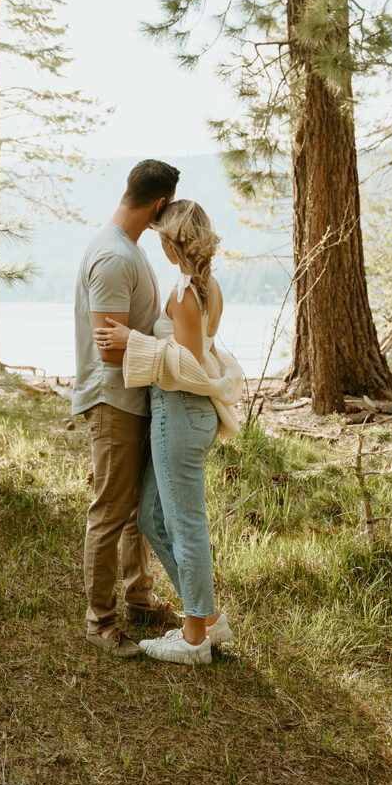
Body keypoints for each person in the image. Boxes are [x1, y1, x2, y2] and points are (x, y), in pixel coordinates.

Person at [94, 200, 244, 665]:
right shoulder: (203, 286)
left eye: (161, 237)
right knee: (152, 519)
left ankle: (195, 638)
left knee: (186, 525)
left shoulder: (184, 295)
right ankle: (206, 616)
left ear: (169, 241)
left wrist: (130, 342)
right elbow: (188, 351)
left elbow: (189, 363)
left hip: (178, 414)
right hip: (181, 412)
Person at [73, 159, 181, 658]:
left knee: (137, 509)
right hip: (112, 400)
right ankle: (100, 622)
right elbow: (110, 349)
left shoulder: (128, 249)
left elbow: (127, 336)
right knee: (111, 511)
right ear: (159, 205)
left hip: (134, 399)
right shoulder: (114, 256)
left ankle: (139, 597)